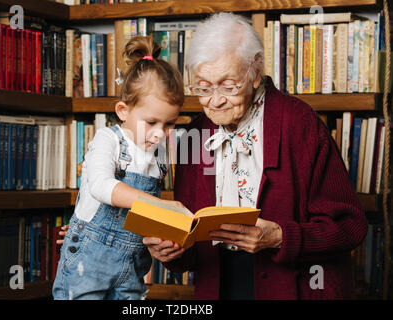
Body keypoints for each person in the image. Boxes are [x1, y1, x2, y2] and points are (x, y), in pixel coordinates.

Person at [143, 12, 368, 300]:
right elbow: (191, 249)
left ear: (255, 71)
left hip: (293, 288)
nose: (215, 100)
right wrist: (172, 252)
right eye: (203, 87)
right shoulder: (194, 135)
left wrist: (280, 237)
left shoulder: (299, 123)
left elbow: (351, 227)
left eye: (228, 85)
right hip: (218, 287)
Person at [52, 36, 187, 300]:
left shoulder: (158, 155)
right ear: (123, 110)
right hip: (88, 265)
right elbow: (102, 186)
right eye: (151, 122)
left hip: (132, 266)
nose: (160, 134)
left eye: (169, 124)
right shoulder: (108, 139)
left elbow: (142, 218)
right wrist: (160, 205)